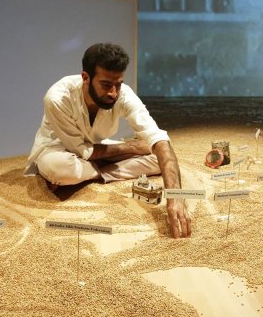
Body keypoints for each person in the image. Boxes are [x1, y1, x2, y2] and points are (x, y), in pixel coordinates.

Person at [24, 43, 191, 238]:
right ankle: (93, 170)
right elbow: (82, 151)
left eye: (118, 84)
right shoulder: (57, 98)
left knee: (159, 159)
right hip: (58, 150)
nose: (113, 92)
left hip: (97, 150)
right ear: (85, 78)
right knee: (60, 169)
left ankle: (93, 173)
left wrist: (176, 197)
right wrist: (132, 147)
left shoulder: (123, 95)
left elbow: (159, 138)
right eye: (106, 85)